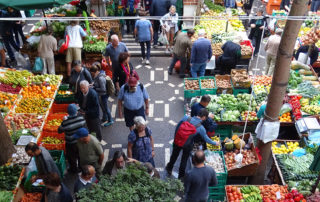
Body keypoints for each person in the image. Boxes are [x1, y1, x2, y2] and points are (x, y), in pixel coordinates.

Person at [165, 108, 219, 179]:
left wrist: (176, 138)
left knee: (174, 155)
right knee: (184, 159)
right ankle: (181, 176)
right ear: (203, 117)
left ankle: (169, 168)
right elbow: (206, 139)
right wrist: (215, 143)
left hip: (178, 140)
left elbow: (177, 126)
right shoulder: (200, 128)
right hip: (187, 144)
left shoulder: (186, 117)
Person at [58, 104, 86, 173]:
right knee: (80, 155)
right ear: (76, 112)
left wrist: (63, 121)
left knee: (71, 157)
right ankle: (80, 167)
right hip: (80, 141)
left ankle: (73, 169)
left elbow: (59, 131)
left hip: (70, 143)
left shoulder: (65, 123)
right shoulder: (81, 119)